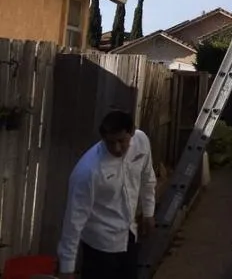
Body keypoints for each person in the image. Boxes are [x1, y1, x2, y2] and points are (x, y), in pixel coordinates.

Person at [57, 110, 157, 279]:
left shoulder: (142, 142)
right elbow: (74, 219)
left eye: (121, 141)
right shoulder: (87, 171)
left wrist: (148, 212)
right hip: (99, 247)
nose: (117, 148)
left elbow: (148, 177)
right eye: (110, 143)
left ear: (131, 133)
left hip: (129, 237)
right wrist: (67, 266)